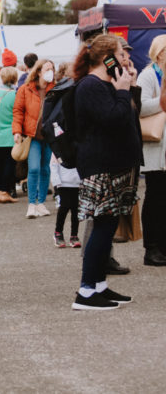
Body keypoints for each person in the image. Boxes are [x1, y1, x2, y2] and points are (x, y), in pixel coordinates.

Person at [70, 34, 140, 310]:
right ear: (107, 57)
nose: (126, 59)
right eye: (122, 54)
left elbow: (128, 118)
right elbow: (112, 119)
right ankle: (86, 292)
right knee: (101, 225)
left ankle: (99, 285)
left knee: (108, 225)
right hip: (101, 166)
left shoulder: (107, 83)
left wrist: (128, 86)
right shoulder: (90, 86)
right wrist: (122, 90)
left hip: (115, 164)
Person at [136, 34, 166, 266]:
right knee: (155, 197)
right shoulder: (148, 75)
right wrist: (163, 102)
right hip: (156, 147)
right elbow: (141, 107)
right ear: (159, 53)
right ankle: (151, 247)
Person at [13, 58, 56, 218]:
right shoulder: (25, 89)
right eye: (47, 69)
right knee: (34, 168)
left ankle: (41, 203)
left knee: (45, 169)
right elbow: (18, 111)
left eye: (52, 69)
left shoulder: (55, 89)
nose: (50, 72)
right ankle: (32, 203)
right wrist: (17, 131)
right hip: (32, 136)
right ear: (38, 71)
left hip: (49, 136)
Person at [0, 67, 20, 203]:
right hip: (10, 134)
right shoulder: (14, 95)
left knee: (0, 164)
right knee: (9, 164)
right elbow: (18, 115)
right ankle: (5, 191)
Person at [52, 154, 81, 248]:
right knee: (64, 207)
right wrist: (56, 182)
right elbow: (53, 165)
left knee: (76, 209)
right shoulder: (58, 146)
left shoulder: (79, 144)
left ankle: (74, 235)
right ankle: (58, 232)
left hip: (78, 183)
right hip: (63, 183)